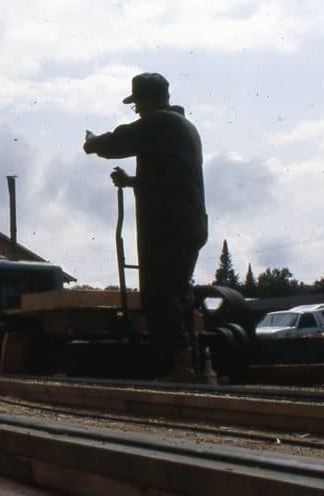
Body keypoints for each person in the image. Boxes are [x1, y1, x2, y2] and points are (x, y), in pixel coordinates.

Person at [83, 72, 208, 382]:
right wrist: (131, 182)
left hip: (168, 226)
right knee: (178, 292)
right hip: (189, 222)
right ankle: (190, 362)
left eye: (137, 103)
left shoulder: (160, 123)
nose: (136, 109)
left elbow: (119, 140)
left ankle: (178, 366)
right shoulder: (183, 127)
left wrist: (91, 143)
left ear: (149, 100)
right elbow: (169, 178)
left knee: (159, 294)